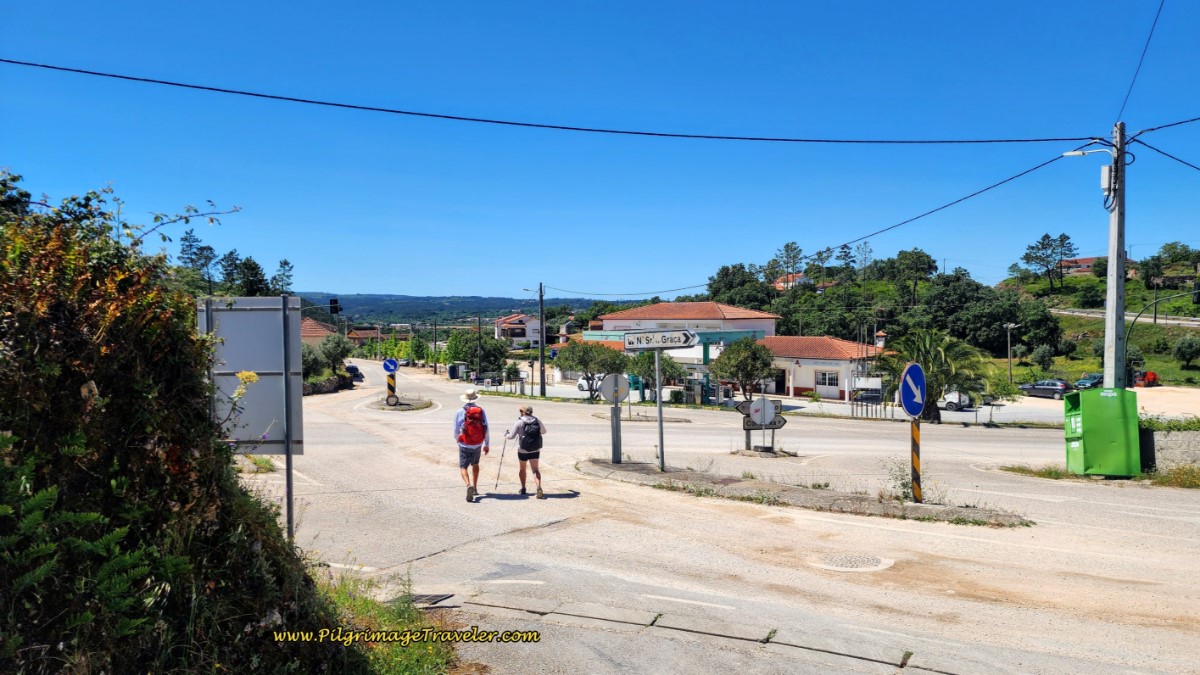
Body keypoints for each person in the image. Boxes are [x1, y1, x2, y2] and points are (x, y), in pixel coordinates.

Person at [454, 388, 490, 502]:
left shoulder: (460, 412)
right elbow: (486, 428)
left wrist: (458, 440)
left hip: (464, 443)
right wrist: (486, 444)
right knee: (475, 464)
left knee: (463, 467)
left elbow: (456, 430)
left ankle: (468, 484)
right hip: (477, 443)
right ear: (475, 398)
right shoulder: (481, 411)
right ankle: (474, 487)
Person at [504, 404, 546, 499]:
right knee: (535, 470)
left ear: (523, 412)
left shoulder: (519, 422)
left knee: (522, 469)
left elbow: (511, 436)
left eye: (520, 411)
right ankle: (538, 487)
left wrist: (506, 435)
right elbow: (544, 431)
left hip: (522, 450)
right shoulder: (537, 420)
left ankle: (523, 488)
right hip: (535, 449)